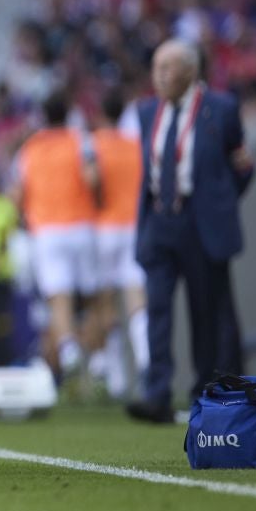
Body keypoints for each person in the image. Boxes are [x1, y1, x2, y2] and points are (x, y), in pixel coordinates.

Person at [127, 40, 254, 423]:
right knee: (157, 311)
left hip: (200, 224)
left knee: (205, 312)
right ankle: (157, 393)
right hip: (160, 223)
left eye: (167, 68)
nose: (159, 75)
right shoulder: (148, 111)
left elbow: (242, 165)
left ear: (191, 71)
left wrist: (220, 204)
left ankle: (205, 390)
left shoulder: (222, 109)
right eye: (156, 67)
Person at [14, 91, 98, 380]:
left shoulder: (30, 148)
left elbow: (18, 193)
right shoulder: (81, 140)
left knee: (58, 297)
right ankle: (96, 361)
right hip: (82, 226)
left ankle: (70, 350)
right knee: (90, 298)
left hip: (47, 230)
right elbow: (92, 178)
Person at [91, 87, 147, 397]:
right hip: (134, 226)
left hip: (105, 228)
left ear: (101, 115)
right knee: (136, 296)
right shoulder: (136, 144)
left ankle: (116, 378)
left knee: (105, 301)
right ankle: (146, 360)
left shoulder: (95, 144)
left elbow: (91, 181)